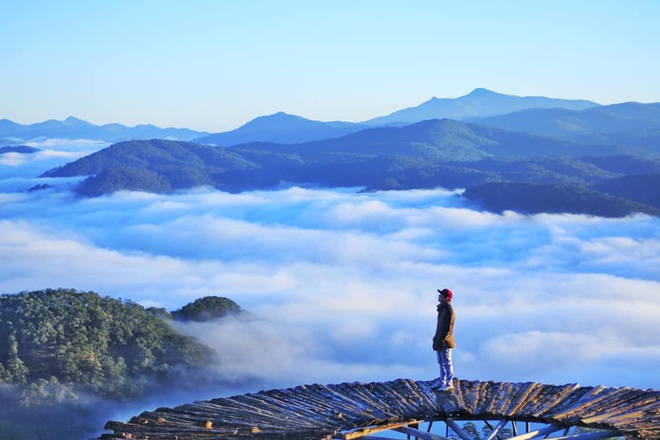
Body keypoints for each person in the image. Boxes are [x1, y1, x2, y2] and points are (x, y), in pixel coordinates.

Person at [432, 288, 455, 390]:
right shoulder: (442, 308)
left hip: (445, 341)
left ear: (446, 298)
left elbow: (448, 326)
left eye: (441, 295)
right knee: (441, 362)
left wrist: (443, 338)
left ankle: (449, 383)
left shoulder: (448, 309)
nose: (439, 296)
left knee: (447, 362)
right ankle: (442, 381)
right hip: (440, 339)